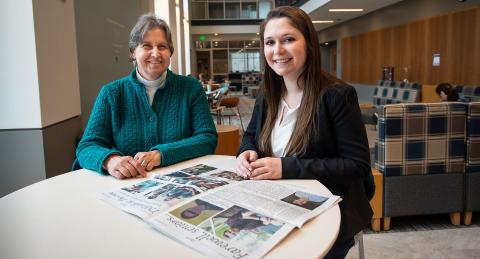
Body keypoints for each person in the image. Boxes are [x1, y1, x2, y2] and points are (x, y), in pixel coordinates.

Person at [235, 6, 374, 259]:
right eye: (270, 42)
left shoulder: (337, 95)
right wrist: (246, 151)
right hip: (275, 204)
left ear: (308, 43)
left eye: (288, 39)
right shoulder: (268, 93)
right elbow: (251, 135)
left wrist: (285, 167)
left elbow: (357, 166)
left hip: (328, 213)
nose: (277, 50)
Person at [75, 14, 217, 179]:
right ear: (133, 52)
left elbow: (207, 139)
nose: (156, 54)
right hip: (126, 189)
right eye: (147, 46)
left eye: (162, 46)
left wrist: (161, 154)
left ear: (170, 52)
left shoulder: (191, 88)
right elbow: (87, 147)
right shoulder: (111, 93)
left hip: (182, 183)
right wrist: (110, 160)